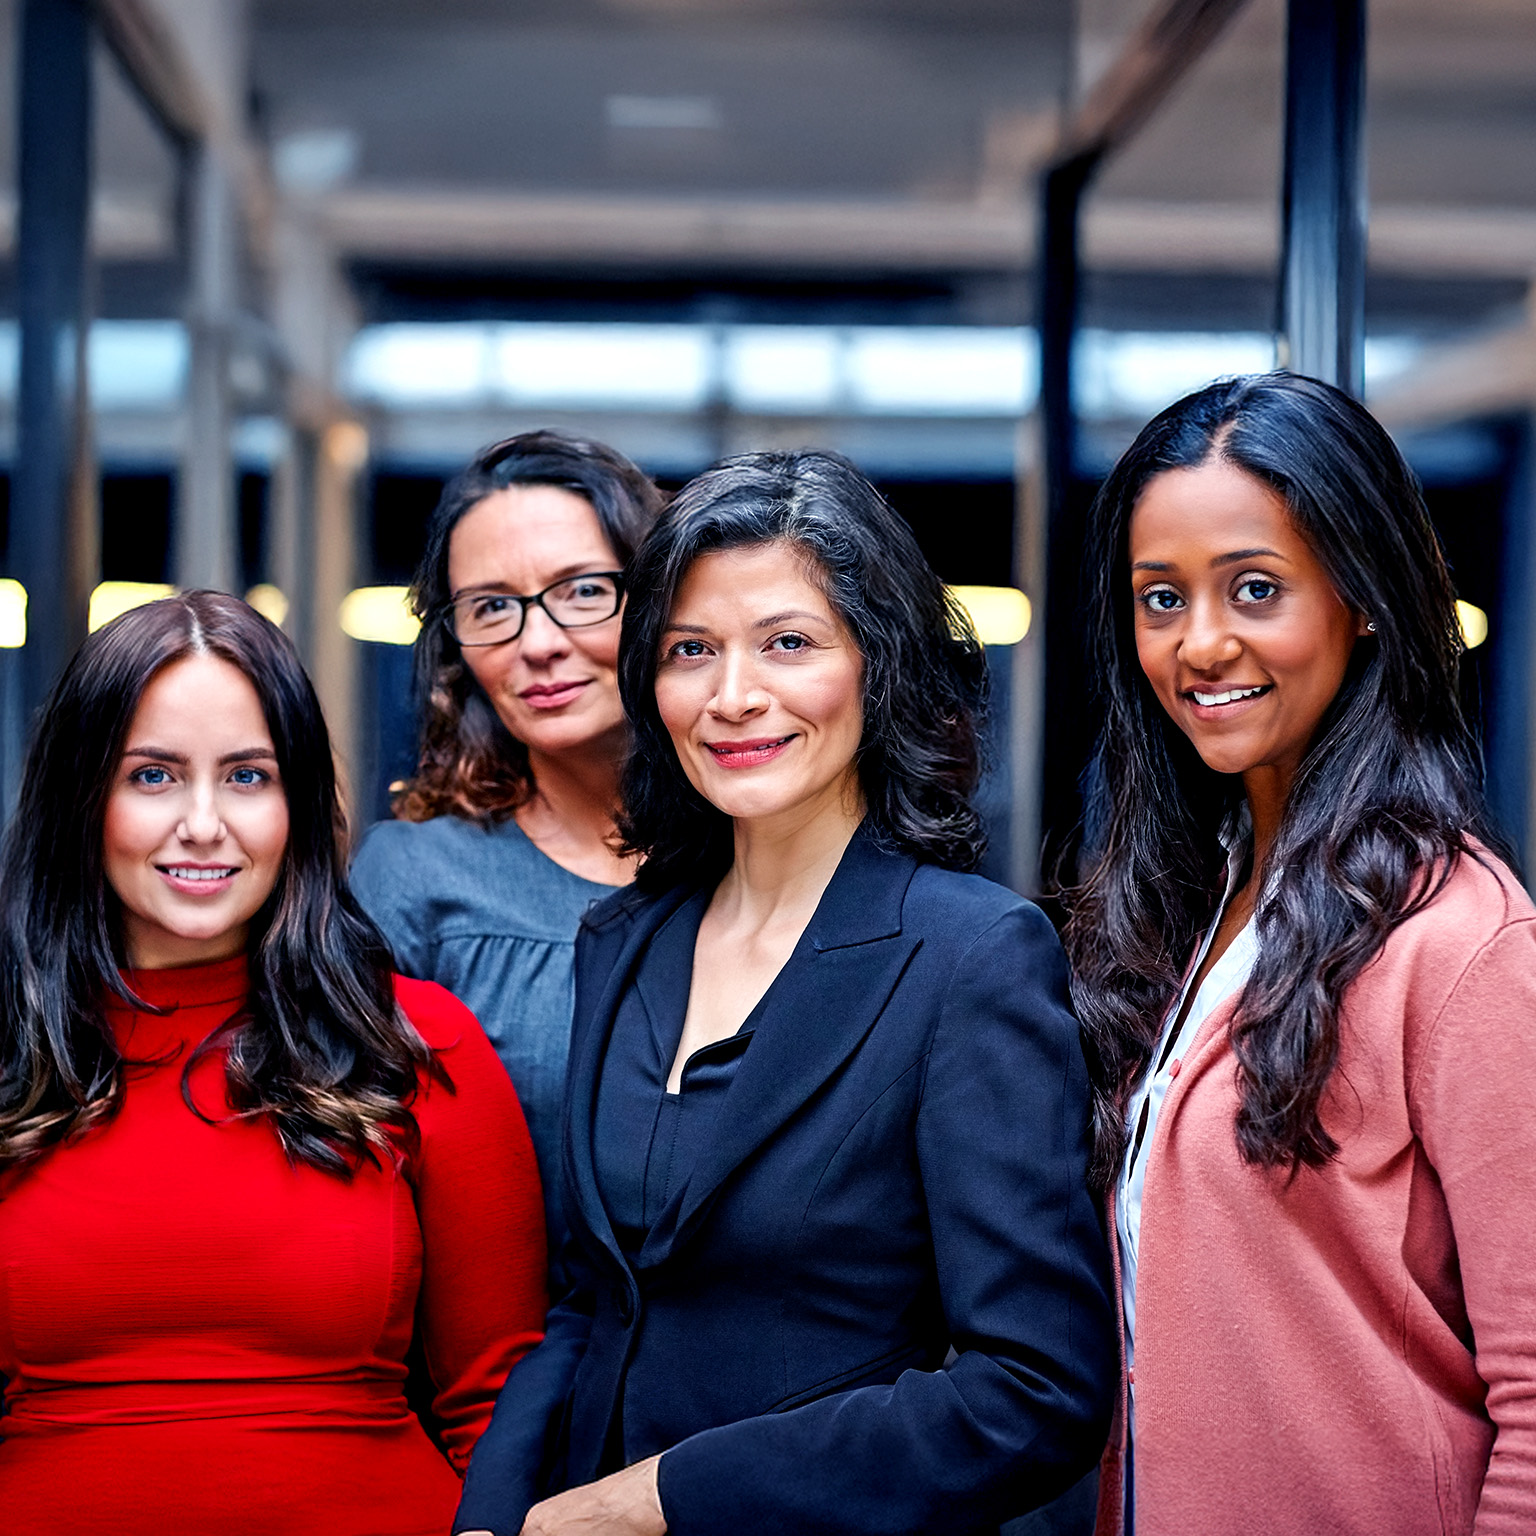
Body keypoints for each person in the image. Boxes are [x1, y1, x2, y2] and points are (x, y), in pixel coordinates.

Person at [455, 449, 1116, 1536]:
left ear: (878, 663)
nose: (733, 698)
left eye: (789, 644)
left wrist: (661, 1500)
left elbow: (1035, 1390)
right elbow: (594, 1298)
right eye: (690, 651)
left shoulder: (973, 955)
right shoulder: (625, 938)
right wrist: (492, 1510)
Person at [1063, 373, 1536, 1536]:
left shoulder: (1463, 942)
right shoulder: (1182, 907)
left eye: (1256, 589)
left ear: (1362, 599)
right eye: (1159, 598)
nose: (1200, 643)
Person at [0, 592, 547, 1535]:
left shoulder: (415, 1043)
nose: (205, 823)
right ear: (81, 795)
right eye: (154, 776)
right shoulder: (15, 1052)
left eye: (248, 777)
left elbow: (496, 1399)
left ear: (296, 801)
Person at [352, 431, 665, 1268]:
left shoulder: (761, 865)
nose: (537, 642)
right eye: (491, 607)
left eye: (584, 590)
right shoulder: (414, 880)